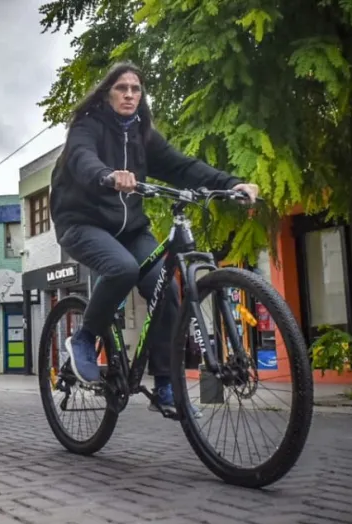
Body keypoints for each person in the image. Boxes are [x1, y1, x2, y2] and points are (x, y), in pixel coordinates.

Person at [49, 61, 259, 411]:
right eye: (121, 88)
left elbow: (183, 167)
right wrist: (107, 174)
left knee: (168, 290)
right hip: (81, 222)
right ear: (107, 93)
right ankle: (84, 337)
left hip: (130, 228)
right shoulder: (87, 127)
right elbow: (82, 160)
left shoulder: (143, 135)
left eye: (136, 89)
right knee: (122, 268)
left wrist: (230, 183)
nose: (130, 94)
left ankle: (165, 385)